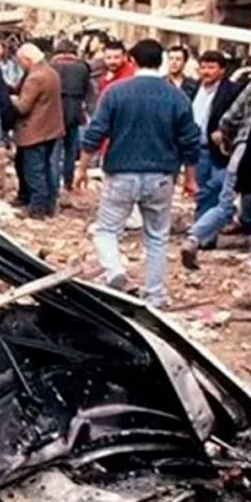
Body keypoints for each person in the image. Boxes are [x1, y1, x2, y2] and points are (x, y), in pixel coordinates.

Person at [77, 39, 204, 307]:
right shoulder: (177, 97)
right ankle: (155, 294)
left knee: (106, 230)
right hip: (161, 176)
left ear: (132, 61)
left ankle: (115, 272)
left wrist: (82, 168)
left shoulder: (115, 92)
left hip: (121, 173)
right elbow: (190, 142)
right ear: (162, 61)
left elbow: (95, 133)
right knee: (157, 237)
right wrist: (191, 179)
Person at [184, 75, 251, 268]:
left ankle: (194, 238)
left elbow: (228, 118)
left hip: (243, 152)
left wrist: (228, 138)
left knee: (225, 205)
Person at [186, 50, 245, 221]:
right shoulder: (194, 87)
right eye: (203, 67)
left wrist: (225, 132)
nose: (206, 72)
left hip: (221, 148)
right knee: (202, 187)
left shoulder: (233, 90)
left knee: (217, 184)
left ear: (222, 70)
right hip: (197, 147)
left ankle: (207, 223)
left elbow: (240, 116)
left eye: (211, 67)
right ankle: (202, 224)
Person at [12, 44, 66, 218]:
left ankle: (37, 209)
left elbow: (23, 107)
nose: (20, 65)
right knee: (46, 169)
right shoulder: (51, 72)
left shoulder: (35, 78)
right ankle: (49, 205)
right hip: (51, 129)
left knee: (34, 172)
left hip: (34, 131)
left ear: (27, 60)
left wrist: (12, 99)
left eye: (20, 61)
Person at [50, 39, 95, 191]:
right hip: (75, 112)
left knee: (55, 151)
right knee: (71, 149)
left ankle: (54, 185)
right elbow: (88, 92)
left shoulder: (52, 66)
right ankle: (68, 182)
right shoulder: (82, 67)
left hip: (55, 112)